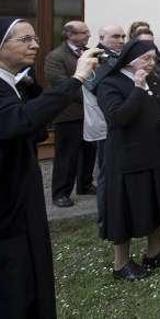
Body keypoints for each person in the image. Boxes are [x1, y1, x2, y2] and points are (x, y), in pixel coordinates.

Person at [0, 17, 100, 318]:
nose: (35, 44)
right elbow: (17, 122)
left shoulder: (13, 82)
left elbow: (35, 128)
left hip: (20, 192)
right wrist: (77, 79)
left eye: (34, 38)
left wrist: (30, 88)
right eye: (24, 39)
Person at [97, 40, 160, 280]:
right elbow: (119, 118)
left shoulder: (155, 80)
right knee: (125, 212)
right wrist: (138, 88)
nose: (152, 63)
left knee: (159, 203)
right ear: (130, 60)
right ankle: (121, 265)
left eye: (154, 58)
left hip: (159, 153)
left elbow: (159, 110)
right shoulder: (110, 84)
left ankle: (153, 254)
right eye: (146, 58)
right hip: (128, 158)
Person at [45, 20, 97, 207]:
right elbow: (62, 85)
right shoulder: (55, 57)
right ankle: (61, 192)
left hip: (89, 113)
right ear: (70, 35)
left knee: (89, 151)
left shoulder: (90, 53)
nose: (88, 35)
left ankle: (85, 184)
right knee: (67, 155)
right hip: (68, 114)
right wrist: (92, 99)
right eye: (84, 32)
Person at [82, 24, 126, 231]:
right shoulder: (94, 57)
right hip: (104, 121)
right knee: (107, 172)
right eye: (115, 36)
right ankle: (106, 217)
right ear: (101, 37)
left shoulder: (115, 56)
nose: (121, 40)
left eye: (123, 36)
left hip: (118, 120)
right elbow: (93, 85)